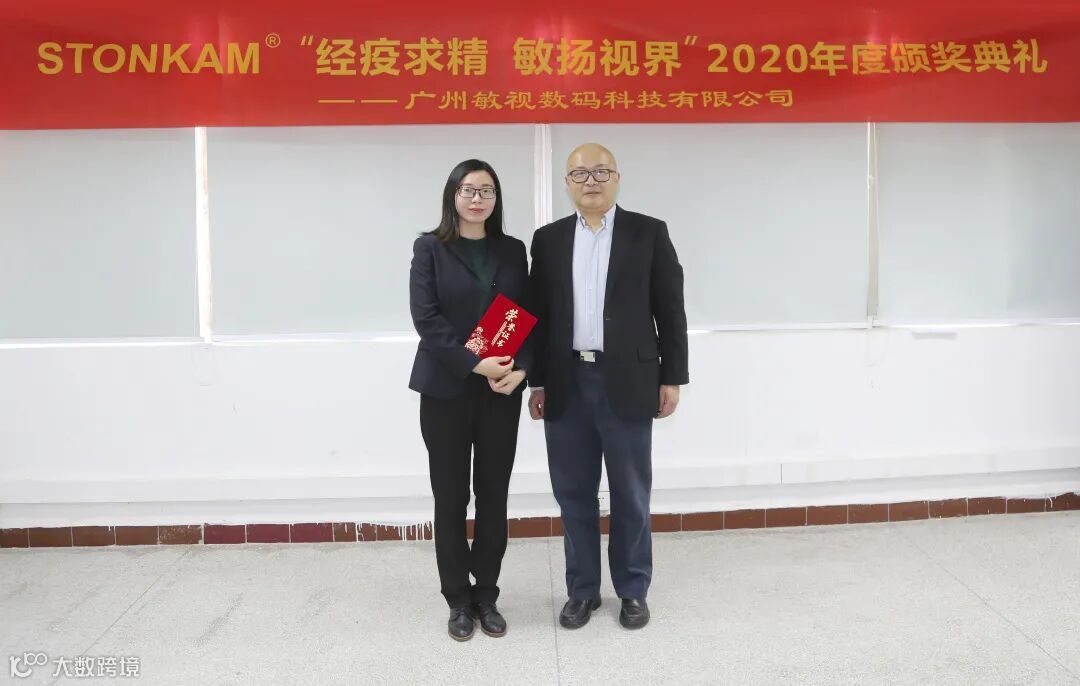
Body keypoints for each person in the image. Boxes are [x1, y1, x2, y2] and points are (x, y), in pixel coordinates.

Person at [527, 143, 688, 630]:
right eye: (580, 174)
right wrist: (536, 381)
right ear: (567, 184)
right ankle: (582, 591)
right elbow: (537, 313)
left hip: (629, 381)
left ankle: (633, 589)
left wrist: (672, 377)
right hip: (566, 383)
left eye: (601, 172)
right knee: (572, 492)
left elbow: (670, 309)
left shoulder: (648, 232)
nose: (591, 181)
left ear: (616, 178)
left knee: (630, 492)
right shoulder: (548, 240)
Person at [408, 159, 530, 641]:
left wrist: (521, 370)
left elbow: (528, 313)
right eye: (468, 190)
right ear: (452, 196)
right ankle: (458, 598)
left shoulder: (513, 250)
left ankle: (487, 593)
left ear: (496, 198)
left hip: (501, 391)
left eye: (487, 190)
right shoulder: (430, 248)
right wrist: (475, 364)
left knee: (494, 494)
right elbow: (427, 318)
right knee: (451, 496)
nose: (477, 198)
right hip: (447, 389)